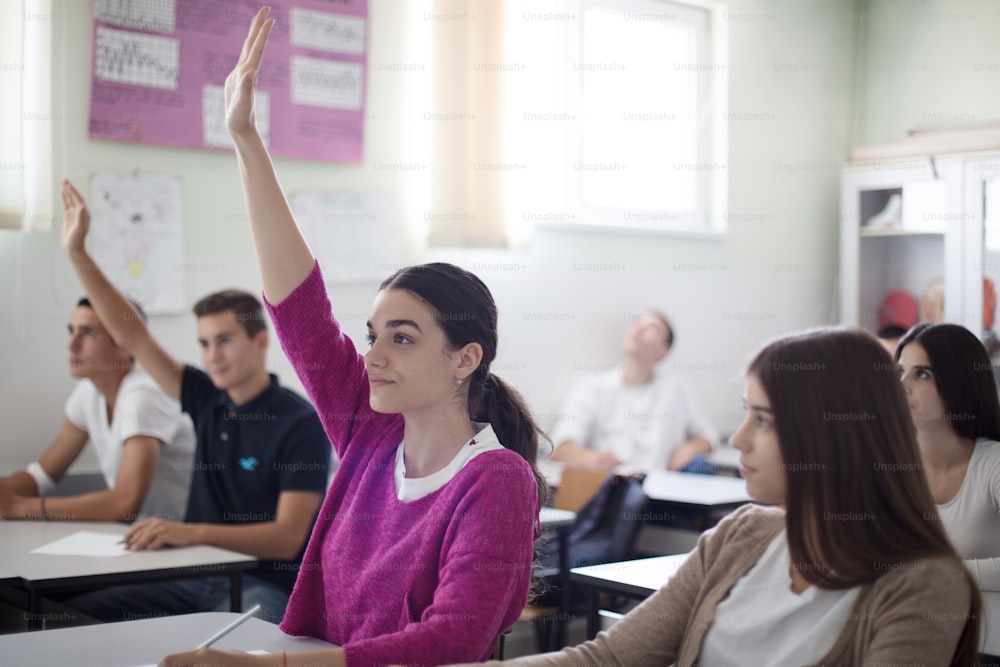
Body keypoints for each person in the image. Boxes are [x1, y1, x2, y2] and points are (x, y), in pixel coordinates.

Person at [160, 8, 546, 666]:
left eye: (402, 338)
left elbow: (450, 639)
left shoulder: (497, 480)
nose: (373, 355)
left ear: (465, 357)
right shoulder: (370, 432)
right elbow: (298, 308)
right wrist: (245, 138)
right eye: (373, 335)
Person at [451, 329, 982, 666]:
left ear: (834, 434)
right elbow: (608, 657)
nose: (738, 439)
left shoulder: (922, 585)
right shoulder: (741, 535)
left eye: (764, 419)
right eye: (746, 413)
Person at [59, 181, 331, 625]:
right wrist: (78, 255)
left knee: (235, 649)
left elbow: (286, 539)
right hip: (186, 575)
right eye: (204, 343)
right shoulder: (206, 398)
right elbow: (132, 335)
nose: (212, 356)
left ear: (261, 341)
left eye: (224, 340)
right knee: (72, 617)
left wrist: (188, 533)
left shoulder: (301, 422)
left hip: (262, 586)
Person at [0, 298, 195, 522]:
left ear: (125, 345)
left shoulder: (144, 395)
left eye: (88, 333)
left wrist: (21, 508)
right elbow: (43, 475)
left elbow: (125, 504)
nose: (71, 344)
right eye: (71, 331)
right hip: (143, 541)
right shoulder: (88, 391)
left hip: (191, 547)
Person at [896, 322, 1000, 591]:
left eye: (921, 374)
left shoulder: (993, 464)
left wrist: (936, 574)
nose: (902, 385)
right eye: (900, 371)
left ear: (957, 382)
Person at [548, 310, 717, 471]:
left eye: (652, 328)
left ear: (664, 350)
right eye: (637, 323)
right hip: (612, 489)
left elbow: (709, 437)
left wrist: (690, 448)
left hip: (662, 491)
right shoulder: (591, 388)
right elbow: (560, 448)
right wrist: (595, 460)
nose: (639, 328)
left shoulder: (676, 390)